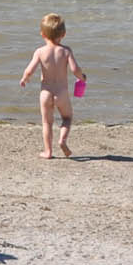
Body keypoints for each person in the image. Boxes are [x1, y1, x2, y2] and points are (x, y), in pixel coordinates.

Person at [18, 14, 87, 160]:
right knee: (67, 118)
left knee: (47, 123)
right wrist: (82, 77)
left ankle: (48, 152)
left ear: (42, 34)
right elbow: (75, 70)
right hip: (61, 93)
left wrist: (25, 78)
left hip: (45, 93)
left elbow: (29, 70)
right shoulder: (66, 51)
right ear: (63, 34)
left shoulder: (40, 52)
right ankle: (62, 140)